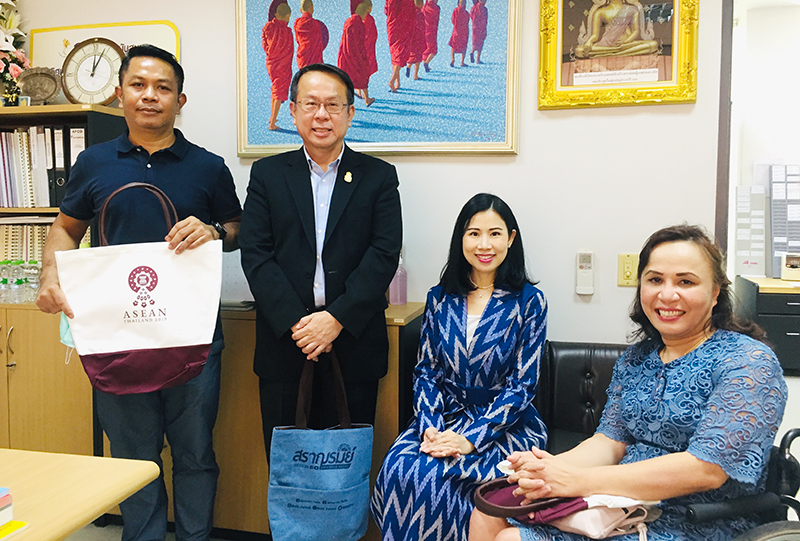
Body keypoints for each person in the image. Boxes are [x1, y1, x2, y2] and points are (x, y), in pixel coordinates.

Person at [35, 44, 242, 541]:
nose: (150, 96)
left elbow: (240, 230)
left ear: (180, 100)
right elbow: (66, 229)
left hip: (190, 335)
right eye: (139, 85)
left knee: (195, 452)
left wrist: (214, 230)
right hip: (117, 337)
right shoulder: (93, 162)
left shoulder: (208, 167)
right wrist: (49, 275)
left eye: (163, 88)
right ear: (120, 93)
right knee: (132, 458)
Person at [470, 224, 787, 541]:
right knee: (488, 512)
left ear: (716, 291)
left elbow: (706, 469)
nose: (667, 294)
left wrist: (578, 480)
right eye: (655, 280)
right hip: (618, 504)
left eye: (686, 281)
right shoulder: (637, 359)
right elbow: (609, 442)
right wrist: (547, 471)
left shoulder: (747, 361)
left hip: (696, 519)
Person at [238, 63, 402, 459]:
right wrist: (300, 324)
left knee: (345, 463)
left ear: (350, 113)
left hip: (353, 341)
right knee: (287, 466)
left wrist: (335, 319)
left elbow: (384, 254)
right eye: (310, 104)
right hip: (286, 342)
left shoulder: (378, 177)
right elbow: (255, 253)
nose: (321, 115)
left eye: (333, 104)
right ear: (293, 111)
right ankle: (286, 527)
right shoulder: (268, 174)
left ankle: (345, 527)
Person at [370, 193, 548, 541]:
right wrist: (432, 428)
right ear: (461, 239)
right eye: (473, 233)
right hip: (444, 417)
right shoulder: (440, 297)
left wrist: (470, 439)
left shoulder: (530, 301)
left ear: (511, 239)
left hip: (504, 425)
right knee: (400, 469)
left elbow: (523, 386)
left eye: (495, 234)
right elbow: (426, 372)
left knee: (454, 481)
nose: (485, 244)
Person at [262, 0, 294, 129]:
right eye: (288, 17)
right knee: (278, 91)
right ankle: (273, 122)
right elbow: (290, 49)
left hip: (271, 63)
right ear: (286, 16)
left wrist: (270, 54)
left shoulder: (268, 27)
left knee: (275, 88)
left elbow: (264, 44)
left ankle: (272, 117)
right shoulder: (287, 31)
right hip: (283, 66)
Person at [338, 0, 374, 106]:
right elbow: (360, 44)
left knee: (347, 80)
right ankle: (366, 98)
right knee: (363, 76)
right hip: (355, 56)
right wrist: (364, 59)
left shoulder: (348, 21)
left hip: (345, 55)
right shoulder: (359, 24)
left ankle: (345, 101)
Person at [384, 0, 416, 92]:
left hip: (392, 29)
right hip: (404, 29)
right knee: (400, 55)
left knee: (395, 55)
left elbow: (386, 11)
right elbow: (413, 15)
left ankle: (398, 83)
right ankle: (392, 80)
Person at [293, 0, 328, 69]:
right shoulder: (315, 24)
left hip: (303, 57)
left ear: (301, 10)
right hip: (315, 58)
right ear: (312, 9)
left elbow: (297, 39)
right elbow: (320, 41)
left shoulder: (298, 23)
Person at [406, 0, 427, 80]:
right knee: (418, 58)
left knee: (412, 55)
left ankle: (408, 66)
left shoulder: (410, 13)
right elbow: (422, 26)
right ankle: (415, 75)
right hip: (419, 38)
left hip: (411, 37)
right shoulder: (420, 14)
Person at [421, 0, 441, 72]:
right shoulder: (436, 8)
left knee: (425, 49)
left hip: (424, 31)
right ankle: (426, 62)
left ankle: (425, 62)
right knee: (433, 50)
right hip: (432, 32)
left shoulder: (424, 7)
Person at [449, 0, 470, 67]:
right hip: (463, 33)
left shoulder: (455, 10)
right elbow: (467, 22)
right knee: (463, 47)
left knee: (453, 47)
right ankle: (462, 62)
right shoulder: (466, 13)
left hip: (456, 32)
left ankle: (452, 59)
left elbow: (453, 20)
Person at [470, 0, 488, 64]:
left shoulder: (473, 8)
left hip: (475, 27)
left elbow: (471, 16)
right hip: (482, 28)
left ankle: (472, 51)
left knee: (475, 42)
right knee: (480, 43)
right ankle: (478, 59)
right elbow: (486, 19)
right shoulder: (485, 9)